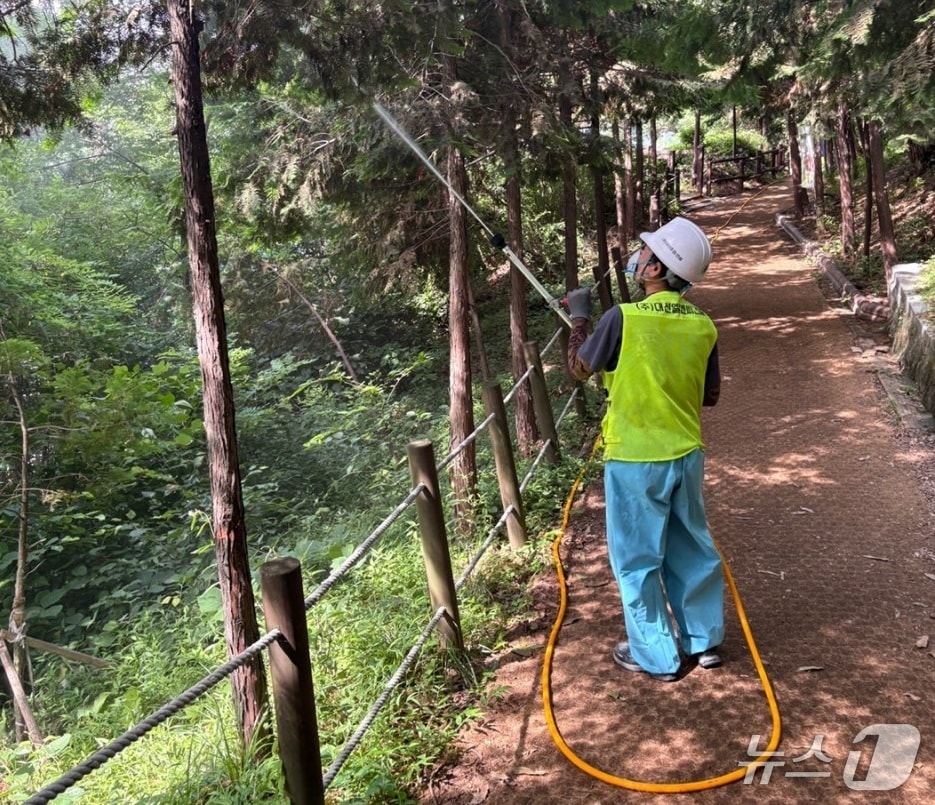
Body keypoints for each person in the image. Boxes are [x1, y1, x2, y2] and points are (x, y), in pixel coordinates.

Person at [566, 216, 724, 683]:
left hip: (635, 458)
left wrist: (579, 318)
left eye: (644, 254)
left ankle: (656, 655)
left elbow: (579, 370)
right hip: (686, 454)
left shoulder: (622, 318)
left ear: (657, 270)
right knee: (691, 546)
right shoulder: (703, 325)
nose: (637, 258)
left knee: (636, 558)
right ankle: (704, 640)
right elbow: (709, 396)